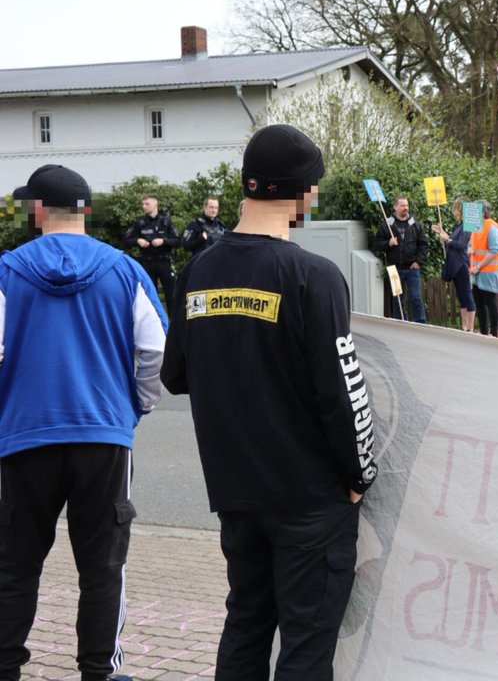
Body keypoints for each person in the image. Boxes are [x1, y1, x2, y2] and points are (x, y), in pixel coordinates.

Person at [161, 124, 377, 680]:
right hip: (309, 499)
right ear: (303, 193)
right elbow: (342, 391)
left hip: (236, 494)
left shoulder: (196, 273)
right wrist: (360, 474)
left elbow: (176, 375)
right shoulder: (314, 276)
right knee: (305, 650)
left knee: (246, 627)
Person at [0, 164, 167, 681]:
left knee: (14, 566)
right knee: (103, 567)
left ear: (36, 210)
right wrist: (135, 407)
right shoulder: (125, 270)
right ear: (84, 210)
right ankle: (100, 670)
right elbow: (154, 350)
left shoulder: (7, 271)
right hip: (104, 436)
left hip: (24, 437)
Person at [373, 195, 429, 323]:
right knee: (397, 298)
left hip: (412, 267)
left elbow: (423, 245)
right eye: (403, 205)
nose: (406, 208)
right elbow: (377, 244)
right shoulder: (387, 225)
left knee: (416, 297)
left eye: (407, 205)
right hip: (394, 268)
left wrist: (418, 261)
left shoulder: (415, 224)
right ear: (395, 207)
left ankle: (420, 324)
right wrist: (388, 243)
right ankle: (401, 324)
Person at [122, 193, 180, 301]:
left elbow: (178, 241)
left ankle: (173, 318)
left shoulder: (166, 222)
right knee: (149, 295)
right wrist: (138, 241)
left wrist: (163, 241)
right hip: (147, 263)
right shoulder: (140, 223)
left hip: (165, 262)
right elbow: (125, 240)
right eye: (143, 204)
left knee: (171, 294)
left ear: (155, 204)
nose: (144, 206)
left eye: (147, 204)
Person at [431, 197, 476, 333]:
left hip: (461, 264)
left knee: (466, 295)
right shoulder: (461, 225)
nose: (454, 211)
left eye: (455, 208)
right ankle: (464, 326)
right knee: (461, 296)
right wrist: (441, 232)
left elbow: (460, 244)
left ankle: (470, 328)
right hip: (456, 264)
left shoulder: (467, 226)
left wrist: (447, 240)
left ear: (460, 209)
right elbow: (452, 240)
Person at [470, 200, 498, 337]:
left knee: (490, 302)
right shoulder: (476, 226)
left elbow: (494, 250)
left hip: (488, 272)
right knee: (479, 302)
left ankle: (494, 333)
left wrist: (478, 266)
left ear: (482, 212)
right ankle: (484, 332)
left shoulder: (492, 228)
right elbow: (473, 246)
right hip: (477, 272)